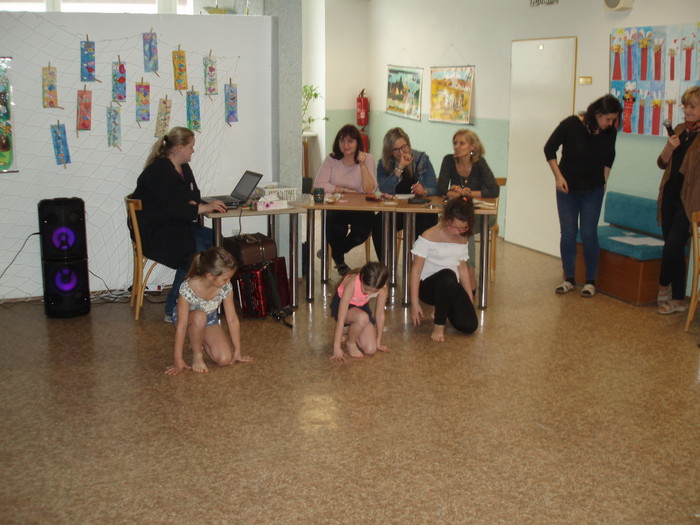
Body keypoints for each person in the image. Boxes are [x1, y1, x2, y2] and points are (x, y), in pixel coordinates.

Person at [133, 127, 228, 322]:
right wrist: (201, 207)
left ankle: (200, 298)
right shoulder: (158, 171)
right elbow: (173, 208)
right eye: (191, 147)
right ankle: (173, 309)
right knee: (193, 253)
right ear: (179, 148)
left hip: (175, 225)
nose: (193, 151)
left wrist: (193, 204)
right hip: (155, 233)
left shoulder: (183, 167)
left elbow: (193, 195)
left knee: (216, 241)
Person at [544, 93, 622, 298]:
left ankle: (590, 281)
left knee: (589, 234)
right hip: (567, 190)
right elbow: (549, 149)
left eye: (613, 120)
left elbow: (609, 157)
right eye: (608, 119)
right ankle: (569, 278)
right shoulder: (571, 124)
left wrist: (604, 182)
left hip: (593, 191)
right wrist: (558, 177)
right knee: (568, 233)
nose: (610, 123)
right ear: (597, 114)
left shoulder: (609, 132)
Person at [166, 246, 252, 375]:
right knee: (199, 316)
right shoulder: (188, 288)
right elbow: (182, 326)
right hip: (188, 320)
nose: (228, 282)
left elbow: (232, 319)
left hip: (209, 319)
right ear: (210, 276)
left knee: (225, 359)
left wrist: (237, 351)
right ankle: (197, 354)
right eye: (225, 279)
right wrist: (178, 359)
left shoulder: (225, 287)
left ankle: (199, 339)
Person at [655, 86, 700, 315]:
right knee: (671, 247)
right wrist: (669, 148)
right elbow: (661, 163)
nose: (687, 110)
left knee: (674, 245)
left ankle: (673, 292)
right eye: (685, 106)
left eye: (693, 106)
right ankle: (673, 292)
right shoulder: (681, 130)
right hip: (669, 196)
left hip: (689, 201)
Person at [437, 128, 500, 290]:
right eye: (455, 143)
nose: (456, 146)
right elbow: (441, 188)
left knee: (465, 228)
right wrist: (457, 193)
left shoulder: (479, 163)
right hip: (458, 214)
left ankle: (470, 276)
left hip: (482, 215)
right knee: (460, 225)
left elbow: (494, 190)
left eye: (462, 143)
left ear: (472, 146)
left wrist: (469, 193)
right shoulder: (448, 160)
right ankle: (454, 273)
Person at [410, 197, 478, 342]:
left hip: (450, 285)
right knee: (448, 275)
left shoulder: (462, 238)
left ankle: (441, 309)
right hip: (428, 287)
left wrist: (469, 298)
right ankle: (438, 326)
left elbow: (462, 268)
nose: (458, 232)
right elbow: (415, 271)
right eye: (454, 227)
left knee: (470, 326)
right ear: (446, 220)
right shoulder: (428, 236)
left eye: (463, 228)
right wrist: (414, 303)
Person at [313, 124, 377, 275]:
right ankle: (340, 262)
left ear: (357, 143)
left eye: (350, 141)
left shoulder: (368, 159)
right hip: (337, 205)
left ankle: (334, 252)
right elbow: (318, 185)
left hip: (360, 207)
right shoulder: (332, 159)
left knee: (361, 232)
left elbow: (370, 189)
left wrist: (362, 165)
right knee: (335, 227)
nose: (345, 145)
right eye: (342, 141)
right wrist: (342, 189)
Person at [372, 128, 438, 261]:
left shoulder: (421, 159)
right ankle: (386, 266)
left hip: (421, 209)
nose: (401, 152)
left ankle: (418, 267)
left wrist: (424, 190)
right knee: (379, 223)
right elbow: (384, 188)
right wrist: (399, 168)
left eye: (404, 147)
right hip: (396, 208)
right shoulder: (384, 163)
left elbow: (435, 188)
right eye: (396, 149)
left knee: (423, 226)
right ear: (389, 151)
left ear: (408, 143)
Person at [330, 261, 389, 362]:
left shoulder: (382, 289)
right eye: (365, 289)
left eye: (373, 292)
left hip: (361, 308)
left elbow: (380, 315)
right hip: (343, 307)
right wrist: (336, 347)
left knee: (371, 349)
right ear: (361, 277)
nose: (368, 294)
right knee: (362, 318)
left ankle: (350, 330)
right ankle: (350, 343)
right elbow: (341, 318)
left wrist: (378, 341)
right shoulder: (352, 283)